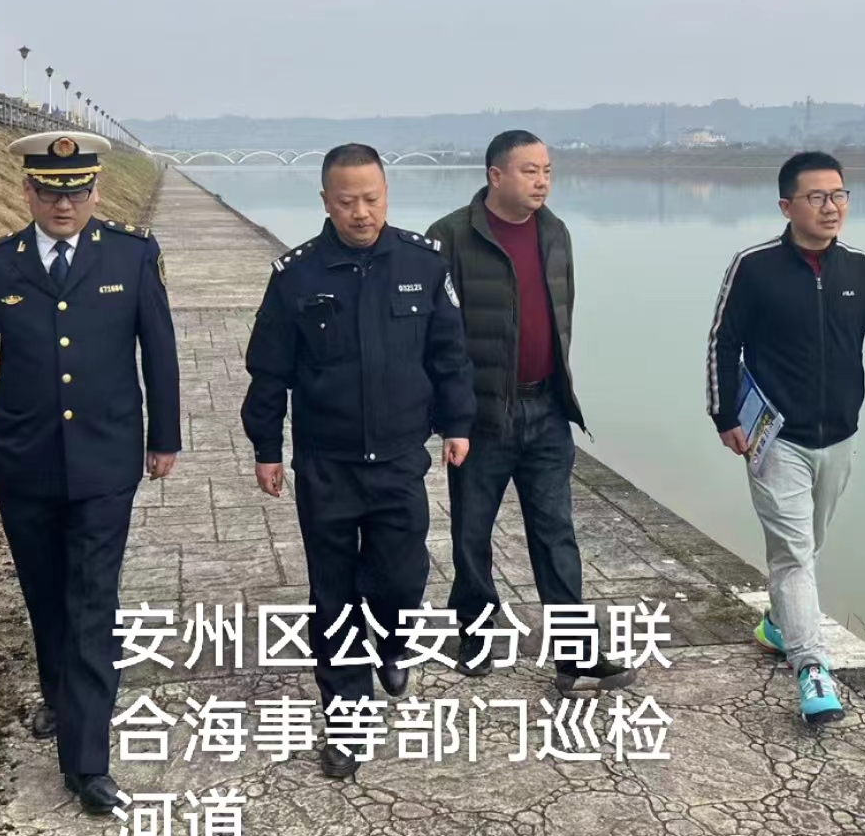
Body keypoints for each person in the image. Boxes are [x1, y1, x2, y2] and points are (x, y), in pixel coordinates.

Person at [0, 130, 181, 813]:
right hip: (23, 463)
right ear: (28, 192)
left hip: (106, 462)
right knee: (45, 595)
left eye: (76, 192)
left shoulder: (131, 256)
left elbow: (158, 352)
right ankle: (61, 697)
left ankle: (87, 763)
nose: (63, 204)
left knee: (92, 604)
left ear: (96, 192)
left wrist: (164, 436)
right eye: (50, 192)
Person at [241, 143, 475, 779]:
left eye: (372, 199)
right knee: (334, 595)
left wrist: (457, 423)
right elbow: (269, 371)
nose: (362, 212)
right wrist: (267, 448)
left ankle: (394, 641)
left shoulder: (422, 263)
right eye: (347, 202)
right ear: (325, 201)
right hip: (327, 464)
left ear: (387, 195)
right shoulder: (296, 276)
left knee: (403, 576)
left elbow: (449, 354)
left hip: (400, 459)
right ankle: (347, 717)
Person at [705, 150, 865, 725]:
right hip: (775, 437)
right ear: (786, 206)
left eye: (839, 195)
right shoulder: (754, 267)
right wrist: (724, 415)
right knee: (793, 554)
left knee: (807, 545)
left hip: (839, 436)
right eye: (816, 197)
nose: (830, 207)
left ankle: (779, 621)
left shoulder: (863, 273)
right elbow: (723, 342)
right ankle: (812, 667)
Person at [427, 130, 637, 697]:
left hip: (546, 409)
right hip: (481, 417)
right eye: (529, 171)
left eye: (547, 170)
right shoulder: (450, 236)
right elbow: (436, 335)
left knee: (555, 532)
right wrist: (451, 417)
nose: (542, 181)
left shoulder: (555, 232)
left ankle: (574, 653)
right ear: (495, 175)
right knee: (472, 532)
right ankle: (475, 633)